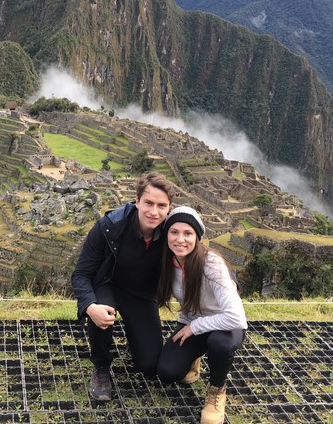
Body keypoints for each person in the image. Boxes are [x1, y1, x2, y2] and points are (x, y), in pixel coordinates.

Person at [71, 172, 176, 401]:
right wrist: (89, 306)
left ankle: (135, 340)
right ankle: (101, 366)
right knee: (102, 312)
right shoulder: (110, 226)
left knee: (149, 365)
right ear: (137, 201)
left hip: (142, 293)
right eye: (148, 203)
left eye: (161, 205)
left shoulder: (173, 231)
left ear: (169, 208)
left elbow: (200, 257)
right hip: (108, 284)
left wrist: (229, 280)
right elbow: (81, 274)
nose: (154, 211)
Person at [156, 206, 247, 424]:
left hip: (226, 326)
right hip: (192, 322)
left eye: (187, 233)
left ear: (197, 237)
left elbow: (236, 317)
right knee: (168, 372)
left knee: (219, 343)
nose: (180, 239)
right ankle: (194, 359)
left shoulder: (211, 264)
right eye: (174, 232)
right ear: (166, 235)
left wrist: (194, 327)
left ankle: (217, 390)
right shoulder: (167, 262)